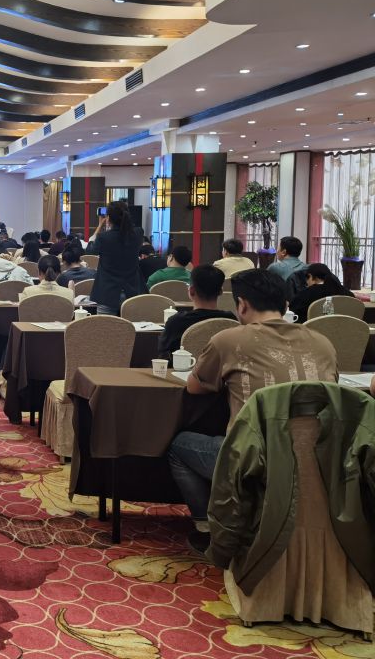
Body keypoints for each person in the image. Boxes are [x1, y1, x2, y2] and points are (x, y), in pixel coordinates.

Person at [168, 268, 337, 552]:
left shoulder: (229, 340)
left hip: (256, 459)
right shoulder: (323, 343)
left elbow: (194, 387)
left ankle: (212, 530)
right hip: (321, 458)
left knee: (178, 445)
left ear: (242, 305)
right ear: (286, 305)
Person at [155, 265, 236, 362]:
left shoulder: (176, 322)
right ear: (221, 291)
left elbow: (163, 357)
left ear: (192, 291)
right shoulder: (231, 320)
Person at [86, 202, 144, 315]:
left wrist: (99, 227)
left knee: (106, 326)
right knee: (131, 325)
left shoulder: (103, 237)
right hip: (132, 291)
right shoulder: (138, 233)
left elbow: (90, 251)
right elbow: (128, 231)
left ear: (108, 218)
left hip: (107, 292)